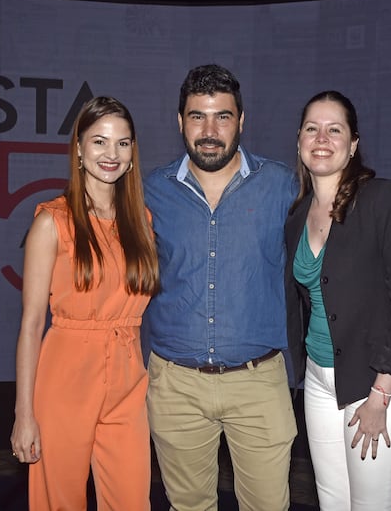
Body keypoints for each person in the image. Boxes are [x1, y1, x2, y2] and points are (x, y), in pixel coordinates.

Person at [142, 64, 299, 511]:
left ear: (241, 120)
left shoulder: (282, 186)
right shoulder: (151, 191)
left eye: (222, 116)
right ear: (180, 122)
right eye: (197, 116)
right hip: (175, 386)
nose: (209, 130)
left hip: (259, 382)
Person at [9, 96, 160, 511]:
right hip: (64, 379)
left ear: (132, 154)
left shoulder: (142, 222)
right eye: (99, 142)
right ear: (78, 148)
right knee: (59, 503)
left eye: (123, 143)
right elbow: (30, 324)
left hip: (128, 380)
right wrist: (24, 414)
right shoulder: (51, 223)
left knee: (132, 501)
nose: (111, 154)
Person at [285, 90, 391, 510]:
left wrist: (381, 392)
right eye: (312, 128)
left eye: (335, 130)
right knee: (332, 503)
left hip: (379, 387)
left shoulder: (382, 199)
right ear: (298, 141)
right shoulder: (297, 216)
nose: (322, 138)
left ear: (353, 144)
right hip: (319, 381)